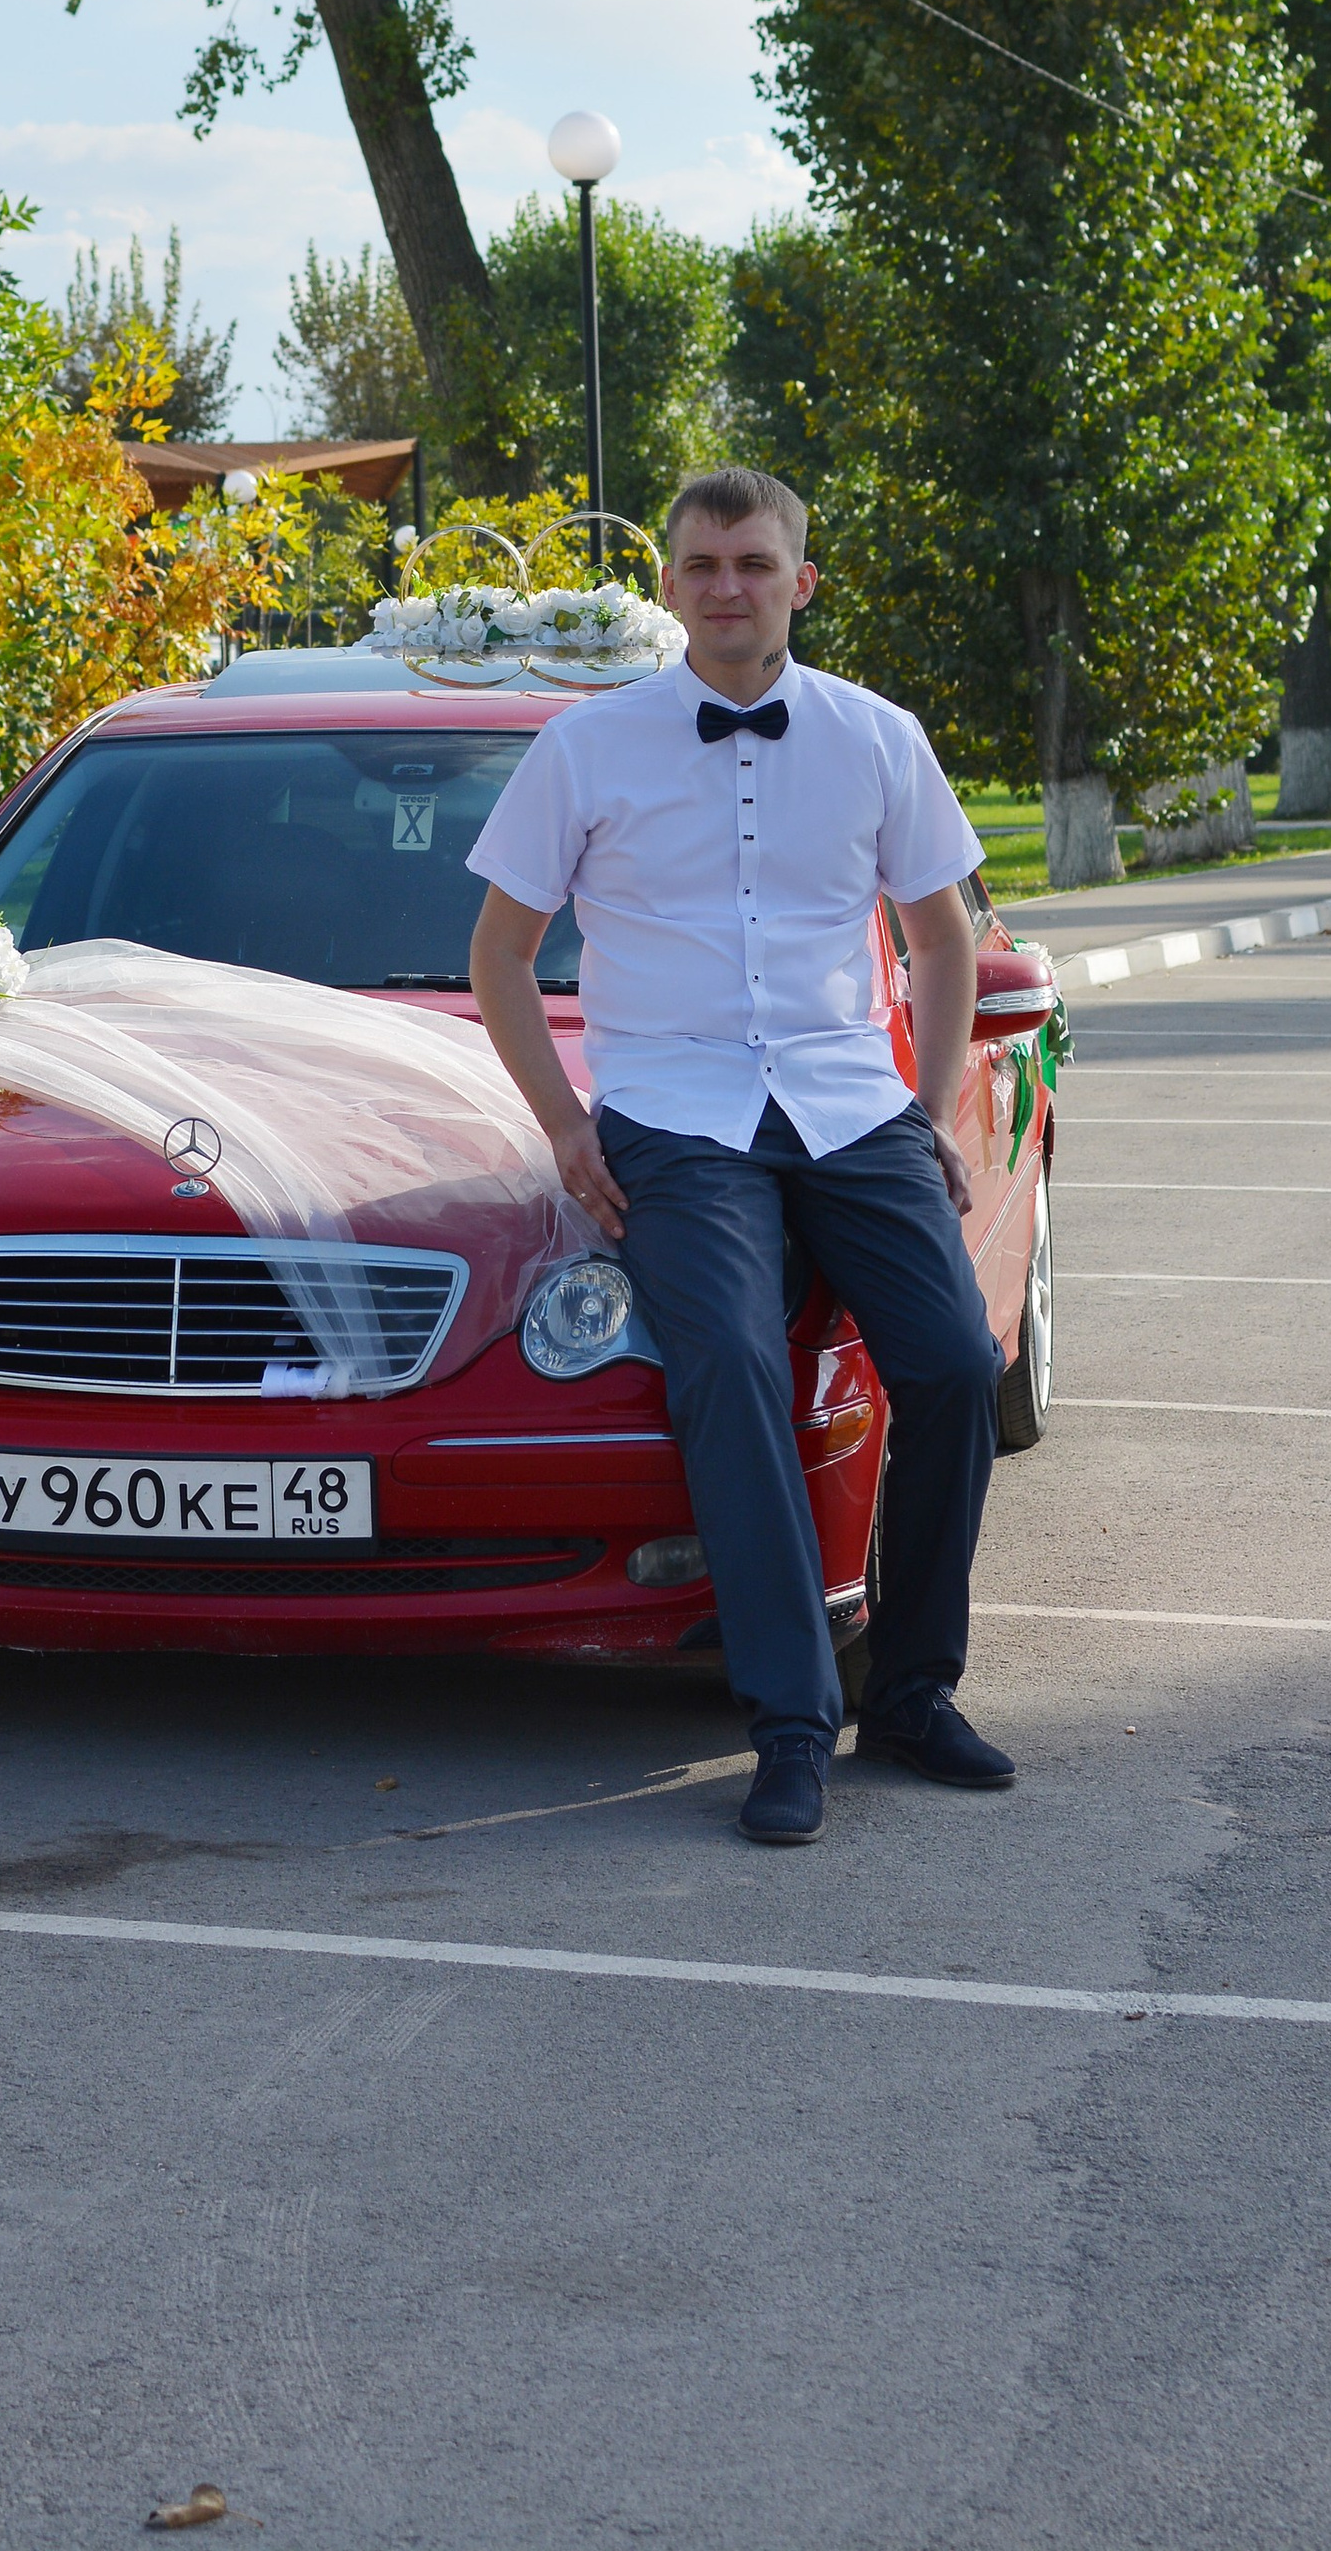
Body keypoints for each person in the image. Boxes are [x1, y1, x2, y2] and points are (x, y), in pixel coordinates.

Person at [466, 464, 1014, 1848]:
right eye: (703, 566)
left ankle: (913, 1686)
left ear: (800, 582)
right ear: (670, 587)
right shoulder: (587, 751)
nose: (728, 589)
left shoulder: (878, 738)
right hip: (677, 1111)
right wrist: (566, 1125)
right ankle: (787, 1721)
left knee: (953, 1360)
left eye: (754, 565)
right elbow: (501, 958)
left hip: (847, 1099)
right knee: (731, 1366)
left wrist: (933, 1108)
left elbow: (944, 939)